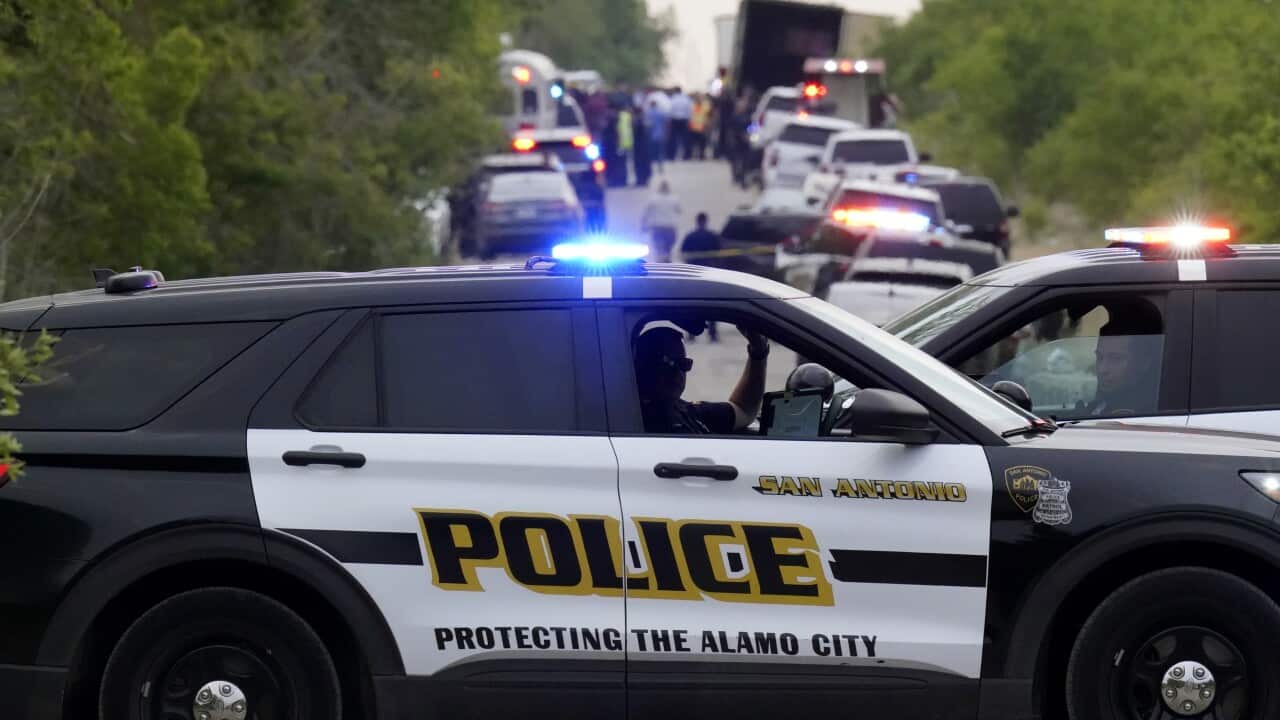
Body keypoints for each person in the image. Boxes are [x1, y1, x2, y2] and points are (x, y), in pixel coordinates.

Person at [634, 325, 770, 434]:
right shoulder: (636, 419)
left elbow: (743, 410)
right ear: (643, 365)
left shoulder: (684, 410)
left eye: (684, 364)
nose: (678, 373)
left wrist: (759, 352)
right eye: (667, 363)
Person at [1085, 320, 1160, 416]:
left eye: (1116, 359)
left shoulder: (1143, 414)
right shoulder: (1101, 404)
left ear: (1144, 363)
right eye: (1099, 357)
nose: (1102, 369)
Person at [679, 213, 722, 341]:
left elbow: (684, 253)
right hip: (709, 275)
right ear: (706, 221)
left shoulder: (690, 236)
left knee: (693, 305)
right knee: (712, 306)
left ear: (697, 221)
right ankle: (713, 334)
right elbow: (720, 255)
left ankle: (691, 334)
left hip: (693, 276)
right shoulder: (712, 236)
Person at [640, 181, 680, 261]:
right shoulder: (674, 199)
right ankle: (666, 260)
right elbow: (679, 210)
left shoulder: (653, 199)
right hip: (670, 227)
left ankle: (661, 260)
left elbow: (646, 213)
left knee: (660, 248)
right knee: (668, 248)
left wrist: (643, 225)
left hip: (658, 227)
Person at [667, 86, 693, 161]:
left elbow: (670, 110)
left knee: (673, 139)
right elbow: (690, 110)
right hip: (684, 120)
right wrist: (688, 118)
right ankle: (687, 156)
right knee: (685, 139)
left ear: (675, 91)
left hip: (674, 120)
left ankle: (672, 156)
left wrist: (670, 120)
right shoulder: (686, 99)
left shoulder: (672, 99)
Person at [644, 98, 668, 176]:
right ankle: (660, 167)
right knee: (660, 152)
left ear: (651, 105)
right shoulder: (661, 113)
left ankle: (650, 167)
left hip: (651, 136)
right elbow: (665, 123)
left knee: (651, 152)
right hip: (660, 135)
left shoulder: (648, 113)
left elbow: (647, 125)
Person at [687, 93, 712, 160]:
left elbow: (709, 115)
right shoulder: (692, 105)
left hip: (702, 126)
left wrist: (708, 124)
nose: (699, 99)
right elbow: (689, 115)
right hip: (693, 126)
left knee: (702, 142)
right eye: (697, 98)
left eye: (700, 98)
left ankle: (701, 155)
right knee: (692, 142)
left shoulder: (706, 105)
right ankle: (691, 155)